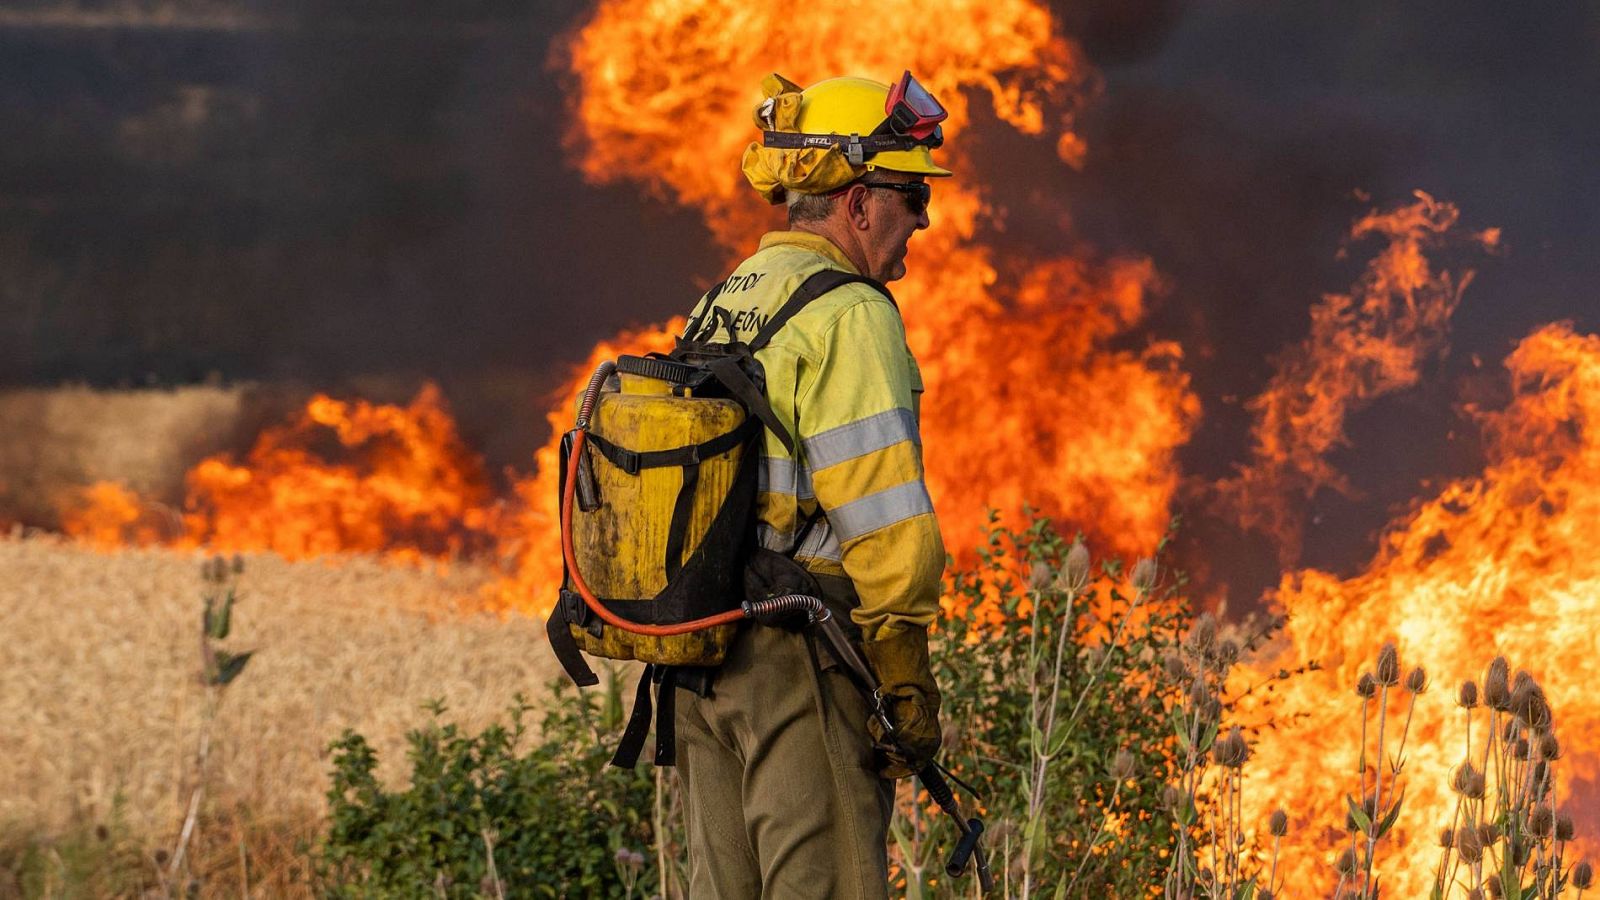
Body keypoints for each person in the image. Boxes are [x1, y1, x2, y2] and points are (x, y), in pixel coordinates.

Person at [671, 71, 951, 899]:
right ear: (859, 202)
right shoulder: (851, 313)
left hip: (702, 658)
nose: (924, 219)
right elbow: (887, 527)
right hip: (798, 658)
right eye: (910, 194)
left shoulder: (724, 299)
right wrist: (903, 675)